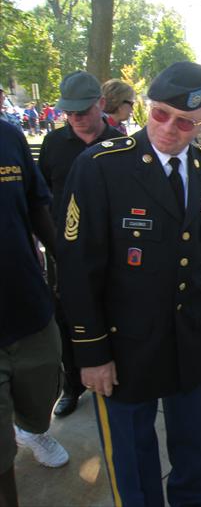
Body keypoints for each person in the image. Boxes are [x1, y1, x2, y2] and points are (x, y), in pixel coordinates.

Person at [55, 61, 201, 505]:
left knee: (193, 447)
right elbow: (78, 268)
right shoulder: (102, 166)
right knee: (132, 453)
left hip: (187, 337)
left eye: (185, 122)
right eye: (160, 113)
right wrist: (91, 351)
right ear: (146, 107)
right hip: (123, 343)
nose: (169, 129)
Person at [38, 71, 123, 418]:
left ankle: (114, 371)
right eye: (69, 112)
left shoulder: (120, 143)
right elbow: (39, 195)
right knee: (68, 317)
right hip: (65, 250)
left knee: (114, 311)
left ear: (101, 105)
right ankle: (71, 384)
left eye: (83, 111)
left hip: (113, 251)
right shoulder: (55, 144)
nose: (75, 118)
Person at [1, 119, 68, 507]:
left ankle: (32, 429)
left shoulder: (9, 137)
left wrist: (70, 268)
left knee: (43, 389)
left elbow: (37, 208)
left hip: (27, 305)